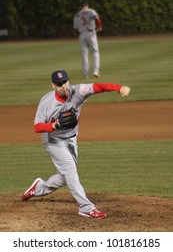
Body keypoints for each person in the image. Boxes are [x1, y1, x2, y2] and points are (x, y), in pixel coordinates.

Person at [21, 70, 131, 219]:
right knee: (70, 170)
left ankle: (38, 188)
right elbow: (37, 127)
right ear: (53, 85)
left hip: (71, 139)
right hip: (53, 141)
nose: (63, 86)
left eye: (65, 82)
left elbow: (98, 87)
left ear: (69, 81)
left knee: (65, 176)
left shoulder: (78, 91)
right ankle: (86, 207)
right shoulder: (46, 102)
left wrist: (119, 88)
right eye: (59, 84)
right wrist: (54, 125)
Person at [73, 0, 102, 79]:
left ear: (81, 6)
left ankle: (86, 74)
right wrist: (99, 26)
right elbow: (97, 18)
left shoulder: (77, 14)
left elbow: (75, 29)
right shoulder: (91, 11)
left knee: (84, 54)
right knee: (95, 51)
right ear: (87, 5)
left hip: (81, 34)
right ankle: (96, 71)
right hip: (91, 33)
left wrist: (80, 36)